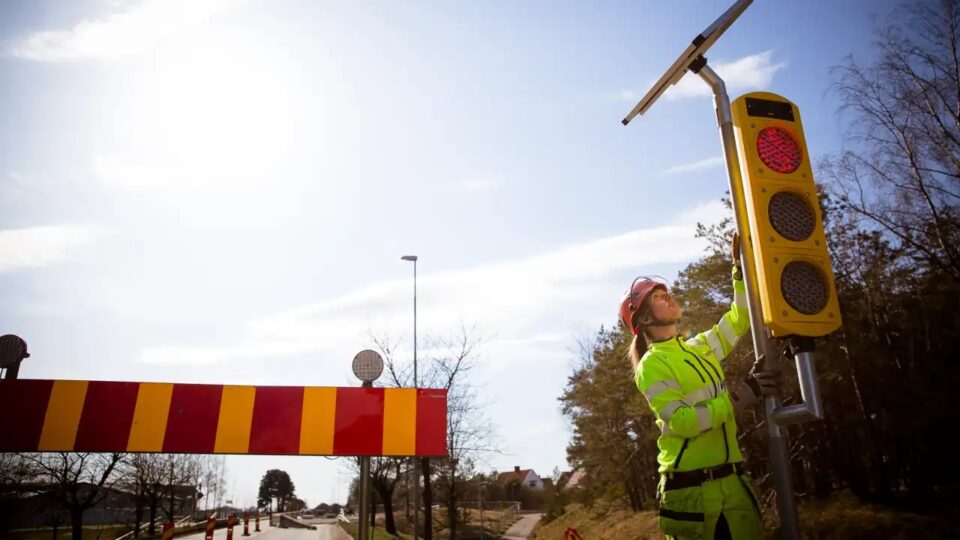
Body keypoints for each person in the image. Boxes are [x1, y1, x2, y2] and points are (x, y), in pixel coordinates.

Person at [618, 234, 779, 540]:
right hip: (693, 493)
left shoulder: (700, 346)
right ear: (645, 318)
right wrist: (741, 396)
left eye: (666, 291)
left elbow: (740, 318)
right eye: (657, 297)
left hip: (734, 484)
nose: (669, 296)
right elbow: (684, 421)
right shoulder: (652, 365)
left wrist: (739, 271)